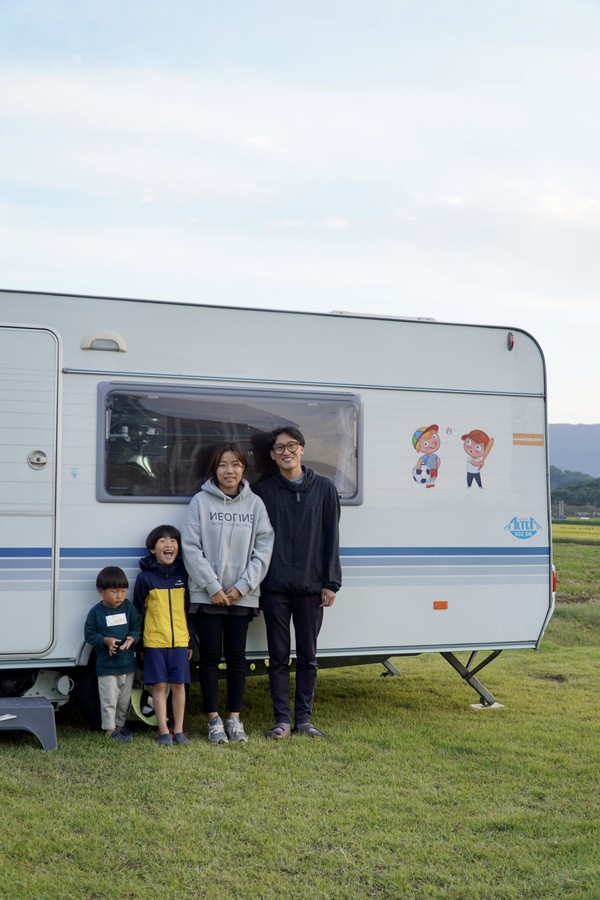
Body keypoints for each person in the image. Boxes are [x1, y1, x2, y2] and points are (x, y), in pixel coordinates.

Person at [252, 427, 341, 740]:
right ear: (273, 456)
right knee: (277, 658)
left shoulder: (325, 489)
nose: (285, 452)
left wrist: (331, 582)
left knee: (308, 657)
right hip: (274, 587)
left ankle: (304, 720)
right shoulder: (262, 492)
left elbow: (332, 538)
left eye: (291, 446)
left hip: (311, 587)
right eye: (279, 448)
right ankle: (282, 722)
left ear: (302, 449)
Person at [182, 442, 274, 744]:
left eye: (235, 464)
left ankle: (235, 718)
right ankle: (213, 720)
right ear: (214, 469)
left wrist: (241, 588)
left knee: (237, 658)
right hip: (208, 596)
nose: (229, 470)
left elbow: (263, 549)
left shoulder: (255, 505)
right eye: (223, 464)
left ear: (243, 468)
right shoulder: (200, 502)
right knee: (208, 658)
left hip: (241, 596)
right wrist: (213, 587)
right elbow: (191, 548)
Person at [133, 525, 193, 747]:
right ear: (152, 549)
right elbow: (139, 612)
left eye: (173, 541)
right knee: (159, 686)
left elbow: (188, 611)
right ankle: (163, 731)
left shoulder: (183, 577)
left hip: (179, 642)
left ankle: (178, 730)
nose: (169, 545)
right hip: (154, 643)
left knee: (179, 685)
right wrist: (139, 644)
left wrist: (190, 641)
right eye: (162, 541)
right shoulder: (144, 579)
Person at [84, 566, 142, 743]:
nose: (119, 596)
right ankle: (109, 730)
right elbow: (89, 634)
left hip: (127, 666)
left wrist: (132, 638)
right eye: (114, 591)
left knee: (124, 701)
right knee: (109, 700)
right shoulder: (96, 612)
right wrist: (105, 641)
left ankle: (119, 727)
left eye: (123, 591)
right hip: (107, 667)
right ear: (101, 591)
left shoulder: (128, 607)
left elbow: (136, 626)